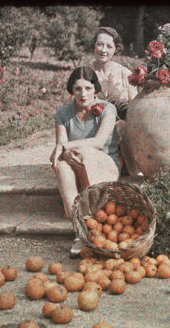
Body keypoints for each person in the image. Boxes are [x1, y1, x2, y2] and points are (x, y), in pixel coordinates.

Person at [49, 67, 121, 255]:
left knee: (85, 153)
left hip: (103, 166)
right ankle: (81, 230)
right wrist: (63, 152)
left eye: (88, 88)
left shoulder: (107, 109)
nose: (83, 94)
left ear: (95, 88)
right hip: (75, 166)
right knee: (63, 167)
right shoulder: (63, 113)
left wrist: (65, 148)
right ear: (71, 90)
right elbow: (60, 148)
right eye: (78, 89)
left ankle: (96, 223)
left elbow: (98, 143)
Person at [90, 27, 137, 119]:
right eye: (99, 44)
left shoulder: (125, 74)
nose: (103, 50)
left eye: (109, 46)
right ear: (94, 46)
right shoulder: (85, 73)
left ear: (115, 49)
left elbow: (134, 108)